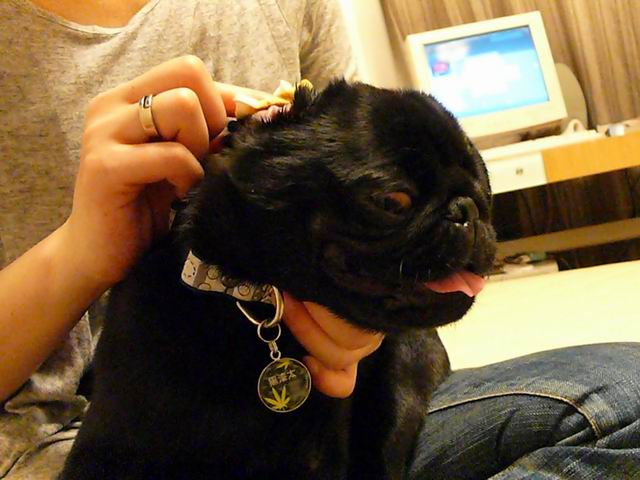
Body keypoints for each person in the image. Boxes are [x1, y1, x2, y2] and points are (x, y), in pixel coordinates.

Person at [0, 1, 638, 479]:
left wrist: (366, 322)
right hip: (68, 441)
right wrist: (75, 256)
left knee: (625, 400)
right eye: (394, 202)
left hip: (340, 408)